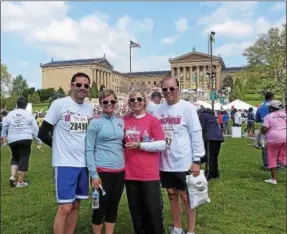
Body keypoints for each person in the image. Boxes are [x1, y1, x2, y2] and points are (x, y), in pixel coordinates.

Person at [38, 72, 93, 234]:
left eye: (86, 85)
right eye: (79, 84)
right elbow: (43, 133)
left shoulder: (89, 108)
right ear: (72, 85)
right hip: (65, 163)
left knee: (76, 205)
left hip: (84, 164)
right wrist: (58, 147)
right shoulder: (59, 104)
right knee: (65, 207)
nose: (82, 87)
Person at [154, 77, 205, 234]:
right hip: (165, 160)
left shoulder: (187, 108)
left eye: (172, 89)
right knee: (171, 194)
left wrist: (197, 159)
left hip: (184, 160)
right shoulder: (158, 110)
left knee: (186, 196)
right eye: (165, 89)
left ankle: (190, 230)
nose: (168, 92)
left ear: (178, 89)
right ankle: (177, 227)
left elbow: (195, 133)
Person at [123, 89, 166, 234]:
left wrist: (140, 145)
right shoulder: (124, 120)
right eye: (132, 100)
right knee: (137, 214)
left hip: (149, 174)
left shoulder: (152, 120)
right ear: (129, 103)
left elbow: (161, 144)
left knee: (153, 213)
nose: (136, 102)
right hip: (130, 174)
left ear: (144, 102)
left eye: (139, 99)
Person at [85, 89, 125, 234]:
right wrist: (94, 174)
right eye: (105, 102)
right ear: (101, 103)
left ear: (116, 103)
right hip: (102, 171)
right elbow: (89, 149)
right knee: (99, 206)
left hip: (120, 171)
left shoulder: (121, 121)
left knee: (113, 206)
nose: (109, 104)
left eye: (112, 101)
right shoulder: (95, 123)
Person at [1, 97, 41, 188]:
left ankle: (12, 176)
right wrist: (38, 140)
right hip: (25, 137)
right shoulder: (29, 114)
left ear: (16, 104)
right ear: (26, 105)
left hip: (12, 138)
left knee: (15, 157)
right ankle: (20, 182)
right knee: (24, 158)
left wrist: (3, 136)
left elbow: (4, 125)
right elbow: (35, 129)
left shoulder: (10, 114)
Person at [261, 100, 286, 184]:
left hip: (274, 138)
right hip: (285, 136)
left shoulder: (268, 116)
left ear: (271, 108)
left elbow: (265, 129)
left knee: (272, 157)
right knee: (283, 156)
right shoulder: (284, 114)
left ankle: (273, 179)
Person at [198, 108, 224, 180]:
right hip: (218, 137)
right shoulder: (212, 116)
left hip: (210, 137)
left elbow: (201, 127)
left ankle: (209, 173)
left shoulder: (202, 115)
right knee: (215, 156)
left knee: (209, 156)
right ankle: (215, 174)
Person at [255, 92, 274, 170]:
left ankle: (266, 165)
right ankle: (277, 164)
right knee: (275, 146)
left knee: (264, 147)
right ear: (272, 97)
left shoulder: (260, 107)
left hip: (264, 128)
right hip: (275, 128)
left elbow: (257, 119)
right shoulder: (275, 106)